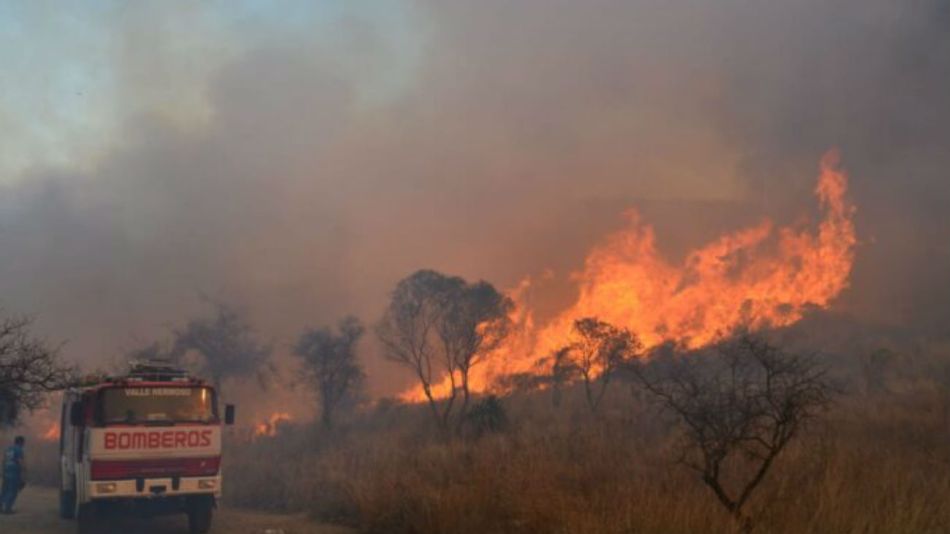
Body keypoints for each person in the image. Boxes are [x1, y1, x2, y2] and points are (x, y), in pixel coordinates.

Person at [1, 436, 26, 514]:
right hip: (14, 472)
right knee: (13, 491)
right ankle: (8, 509)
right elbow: (20, 461)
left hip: (6, 471)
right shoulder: (19, 449)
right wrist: (24, 471)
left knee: (4, 491)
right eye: (23, 443)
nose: (24, 444)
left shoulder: (8, 449)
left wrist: (3, 471)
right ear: (20, 442)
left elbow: (3, 461)